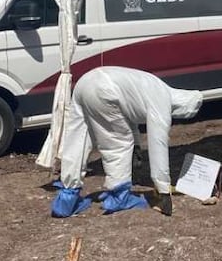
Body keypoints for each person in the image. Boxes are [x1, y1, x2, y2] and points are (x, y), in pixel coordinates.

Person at [51, 66, 203, 218]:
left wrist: (137, 145)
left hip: (85, 81)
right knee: (119, 142)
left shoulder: (155, 85)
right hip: (106, 89)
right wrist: (163, 190)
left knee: (78, 137)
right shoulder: (162, 100)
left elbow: (128, 111)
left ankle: (67, 198)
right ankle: (119, 197)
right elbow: (158, 144)